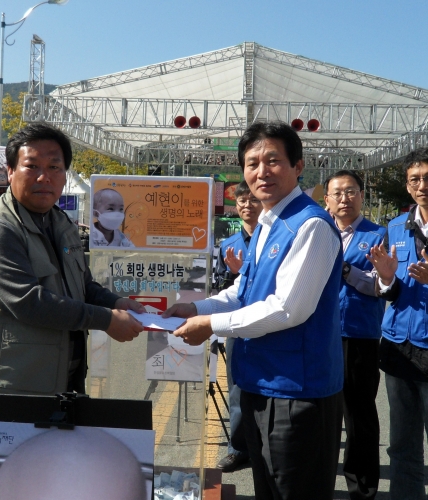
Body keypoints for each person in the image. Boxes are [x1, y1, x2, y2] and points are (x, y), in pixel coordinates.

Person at [163, 120, 344, 500]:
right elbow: (242, 292)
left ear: (298, 166)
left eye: (273, 160)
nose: (261, 171)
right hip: (260, 384)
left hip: (296, 392)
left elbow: (286, 310)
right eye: (252, 163)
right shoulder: (266, 223)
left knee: (293, 491)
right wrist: (193, 306)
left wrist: (210, 323)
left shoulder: (310, 225)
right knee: (268, 489)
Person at [0, 123, 144, 419]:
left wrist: (116, 303)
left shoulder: (61, 223)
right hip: (8, 390)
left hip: (61, 385)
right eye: (32, 166)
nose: (44, 177)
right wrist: (106, 319)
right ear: (10, 171)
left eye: (55, 167)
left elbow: (83, 285)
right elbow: (28, 302)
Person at [366, 147, 428, 500]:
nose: (422, 185)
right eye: (415, 179)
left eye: (427, 178)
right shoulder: (394, 228)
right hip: (398, 349)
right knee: (402, 446)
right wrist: (387, 280)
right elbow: (388, 291)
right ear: (407, 187)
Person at [324, 170, 386, 500]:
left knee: (359, 414)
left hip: (359, 334)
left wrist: (346, 270)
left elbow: (380, 286)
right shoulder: (317, 231)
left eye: (351, 192)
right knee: (323, 413)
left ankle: (362, 487)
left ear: (362, 196)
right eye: (338, 193)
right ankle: (320, 481)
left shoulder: (378, 235)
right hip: (320, 333)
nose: (345, 199)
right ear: (327, 201)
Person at [214, 180, 262, 473]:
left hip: (269, 324)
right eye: (242, 201)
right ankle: (238, 448)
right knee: (236, 390)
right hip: (236, 326)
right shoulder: (227, 245)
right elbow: (220, 286)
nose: (247, 206)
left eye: (253, 201)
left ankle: (264, 448)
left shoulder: (275, 238)